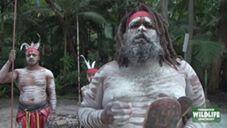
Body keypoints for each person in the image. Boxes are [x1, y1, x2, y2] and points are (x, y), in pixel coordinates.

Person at [79, 4, 206, 128]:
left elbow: (206, 114)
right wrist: (102, 117)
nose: (141, 29)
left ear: (160, 34)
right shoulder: (106, 72)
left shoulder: (182, 70)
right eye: (134, 25)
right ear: (125, 36)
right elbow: (83, 112)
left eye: (148, 25)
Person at [0, 39, 57, 128]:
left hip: (42, 112)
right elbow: (1, 79)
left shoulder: (47, 73)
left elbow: (52, 94)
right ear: (25, 57)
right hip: (23, 113)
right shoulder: (19, 72)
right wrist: (9, 62)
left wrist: (53, 112)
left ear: (38, 57)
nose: (31, 57)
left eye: (34, 55)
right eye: (28, 55)